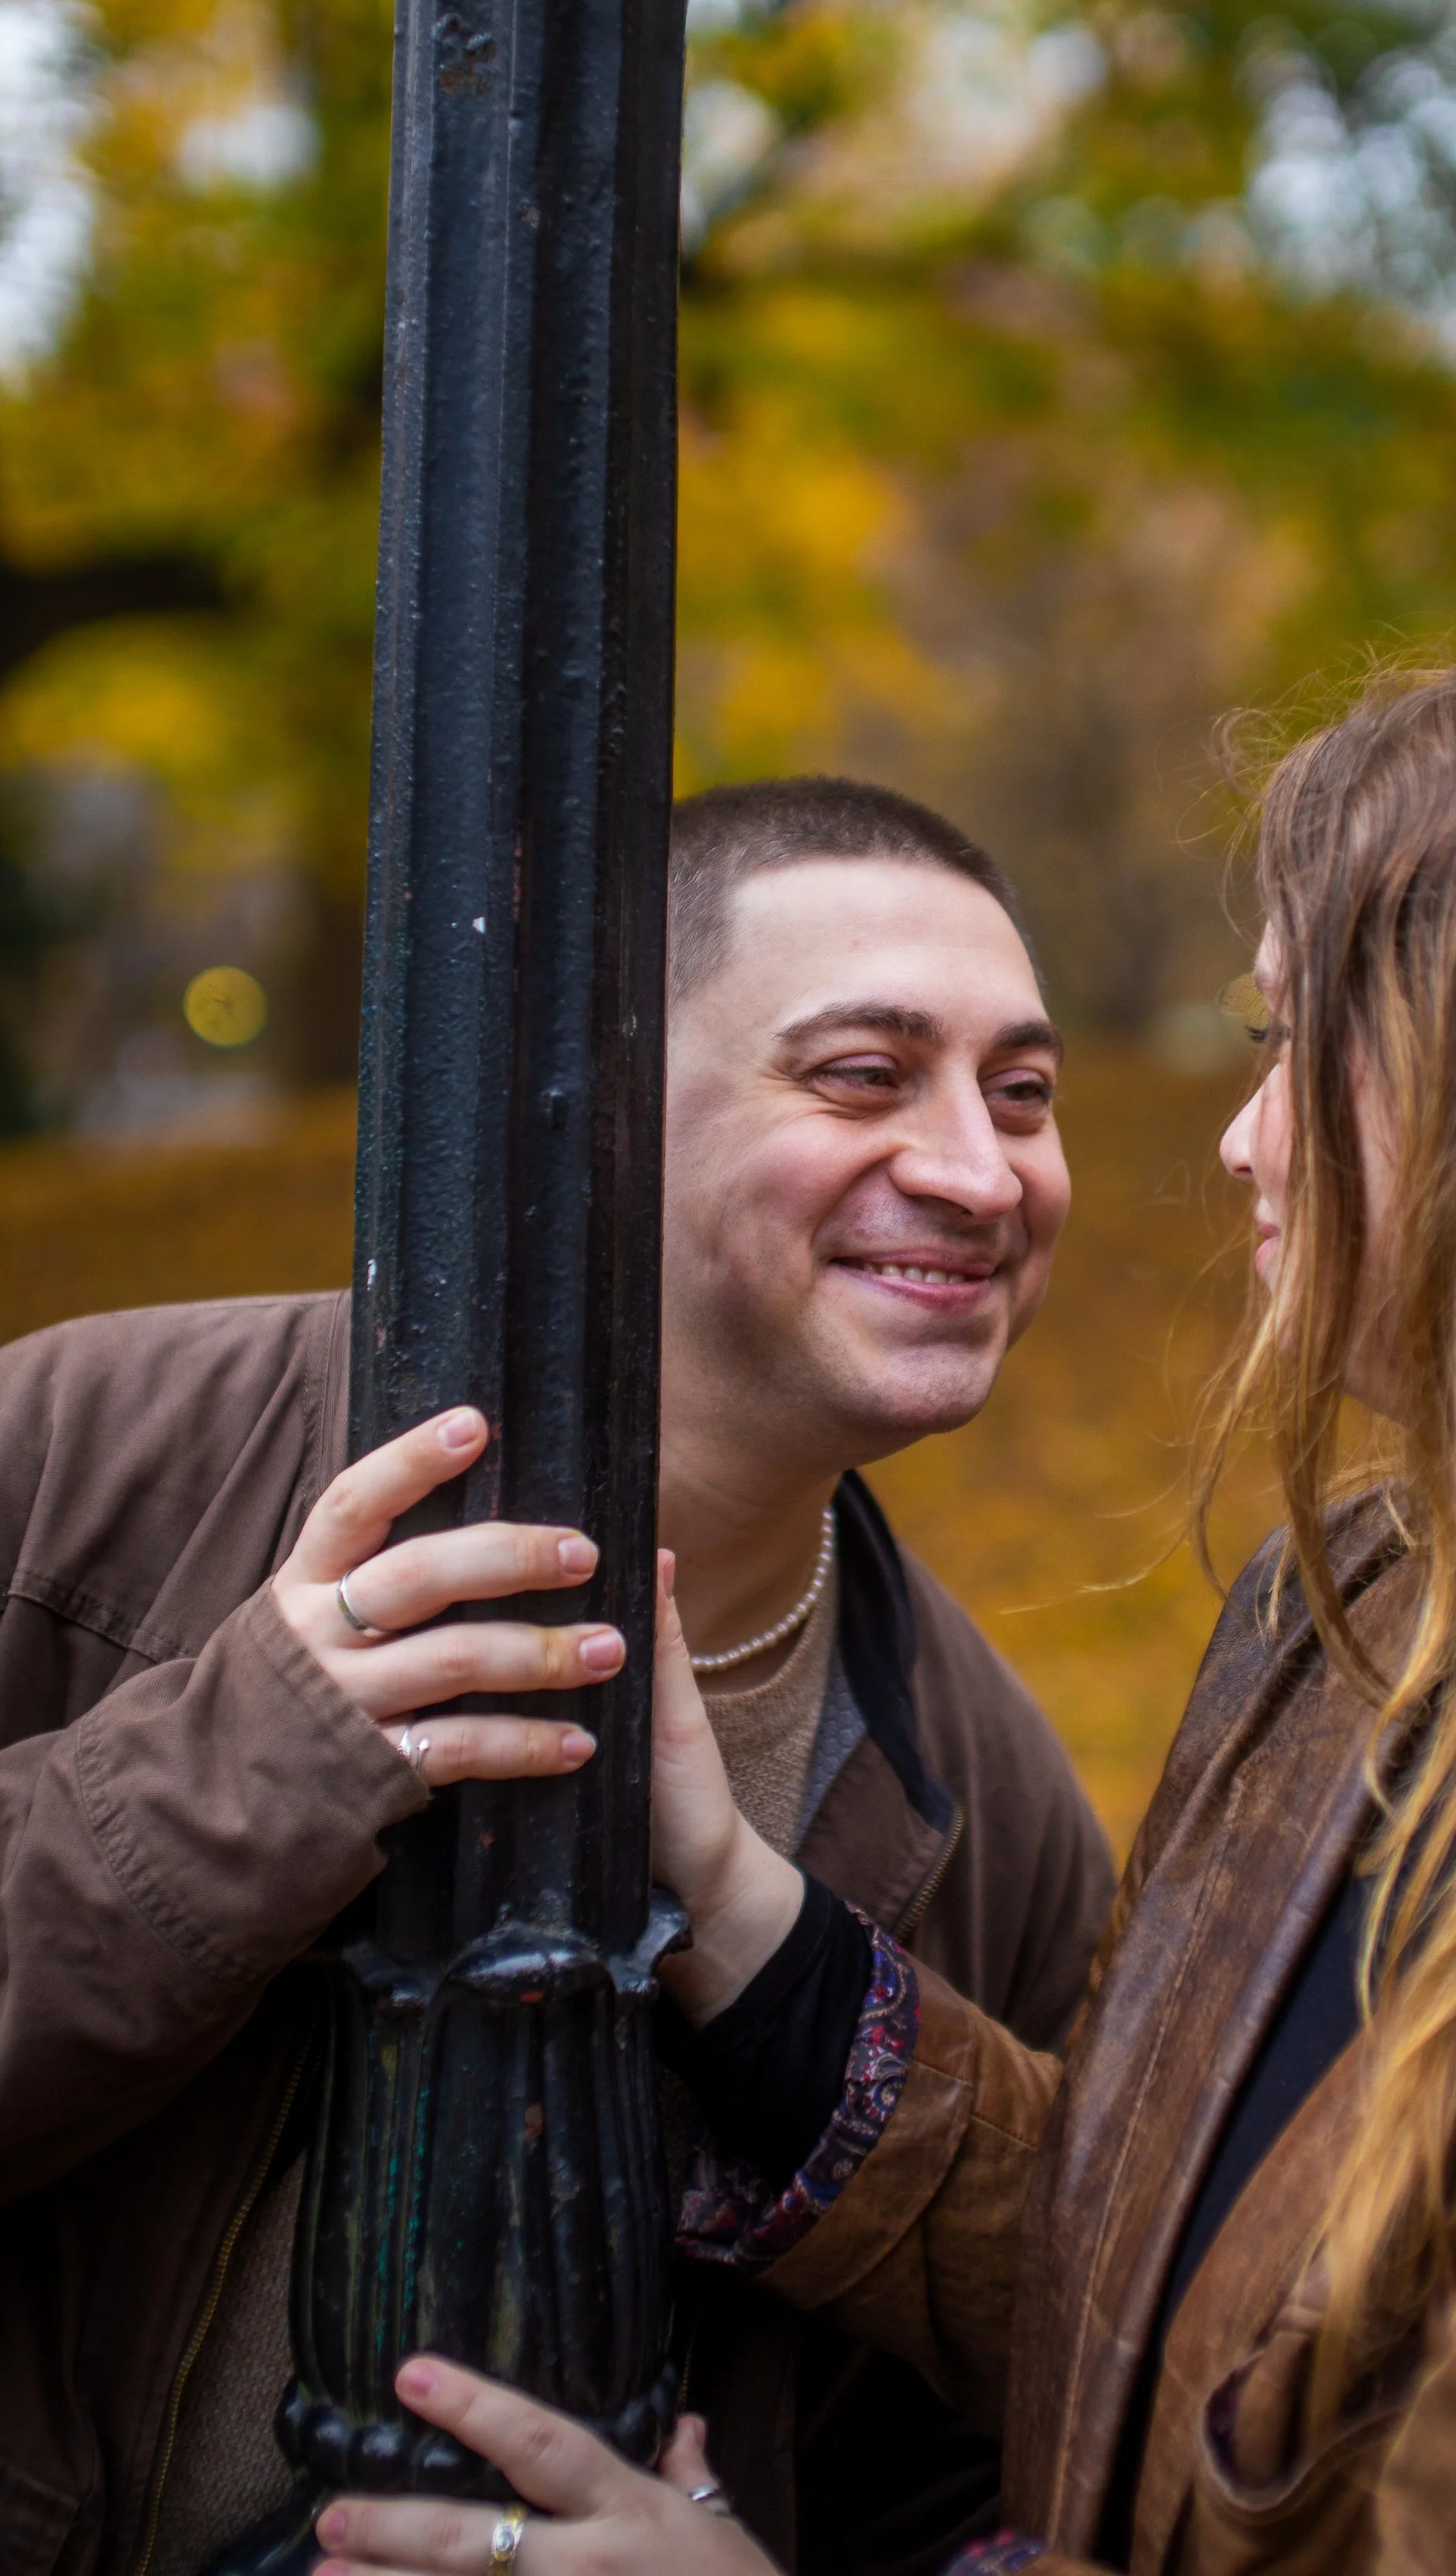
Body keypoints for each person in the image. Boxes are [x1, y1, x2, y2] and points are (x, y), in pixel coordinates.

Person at [319, 612, 1456, 2576]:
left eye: (1291, 1048)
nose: (1239, 1142)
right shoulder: (1363, 1603)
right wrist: (743, 1914)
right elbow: (1156, 2310)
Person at [0, 779, 1113, 2576]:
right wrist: (240, 1771)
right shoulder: (72, 1463)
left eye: (1023, 1095)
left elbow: (979, 2461)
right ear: (595, 1111)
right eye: (858, 1075)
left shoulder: (990, 1808)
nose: (981, 1175)